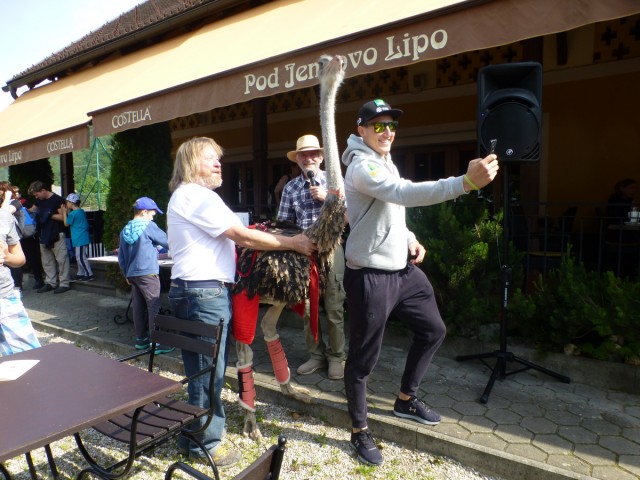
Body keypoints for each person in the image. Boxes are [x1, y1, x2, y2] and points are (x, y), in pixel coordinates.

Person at [341, 99, 499, 466]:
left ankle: (405, 400)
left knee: (433, 330)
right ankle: (359, 430)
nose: (387, 131)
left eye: (391, 125)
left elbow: (391, 210)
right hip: (370, 275)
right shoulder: (362, 166)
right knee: (363, 360)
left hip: (403, 270)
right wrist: (464, 183)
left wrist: (409, 237)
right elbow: (402, 193)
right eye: (378, 125)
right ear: (362, 130)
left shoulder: (384, 161)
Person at [167, 136, 316, 468]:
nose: (218, 163)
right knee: (209, 373)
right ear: (190, 164)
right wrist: (293, 243)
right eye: (209, 158)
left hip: (192, 292)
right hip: (205, 294)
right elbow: (243, 236)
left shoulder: (185, 196)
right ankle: (207, 444)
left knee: (199, 371)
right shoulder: (198, 196)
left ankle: (190, 435)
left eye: (218, 158)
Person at [277, 134, 346, 379]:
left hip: (332, 249)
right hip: (303, 252)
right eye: (303, 155)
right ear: (297, 160)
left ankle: (337, 356)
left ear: (321, 157)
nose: (309, 158)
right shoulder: (291, 188)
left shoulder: (336, 181)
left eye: (313, 154)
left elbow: (353, 215)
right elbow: (284, 224)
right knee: (307, 308)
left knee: (334, 306)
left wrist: (329, 198)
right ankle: (316, 355)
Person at [117, 197, 173, 354]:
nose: (153, 217)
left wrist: (126, 274)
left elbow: (121, 256)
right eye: (152, 214)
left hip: (133, 274)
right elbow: (169, 242)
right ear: (144, 212)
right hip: (148, 273)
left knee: (138, 306)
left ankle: (141, 340)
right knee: (154, 305)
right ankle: (157, 343)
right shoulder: (149, 226)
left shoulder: (125, 229)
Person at [0, 207, 41, 355]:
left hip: (5, 298)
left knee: (30, 357)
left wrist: (7, 257)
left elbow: (20, 259)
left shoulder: (4, 216)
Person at [27, 181, 70, 294]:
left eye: (37, 195)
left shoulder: (58, 200)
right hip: (43, 233)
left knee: (61, 259)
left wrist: (48, 215)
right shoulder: (38, 200)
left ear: (43, 190)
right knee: (47, 260)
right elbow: (33, 210)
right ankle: (51, 283)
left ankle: (64, 283)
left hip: (57, 232)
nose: (36, 197)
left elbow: (64, 217)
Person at [61, 193, 94, 281]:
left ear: (71, 203)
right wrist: (68, 211)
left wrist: (64, 213)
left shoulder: (73, 214)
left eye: (67, 202)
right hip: (81, 237)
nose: (66, 204)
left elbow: (66, 223)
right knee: (79, 256)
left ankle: (89, 274)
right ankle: (80, 273)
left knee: (80, 258)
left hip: (79, 238)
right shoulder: (81, 211)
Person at [0, 182, 26, 296]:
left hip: (13, 238)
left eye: (2, 190)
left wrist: (7, 198)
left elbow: (4, 213)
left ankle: (18, 286)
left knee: (14, 266)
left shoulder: (15, 202)